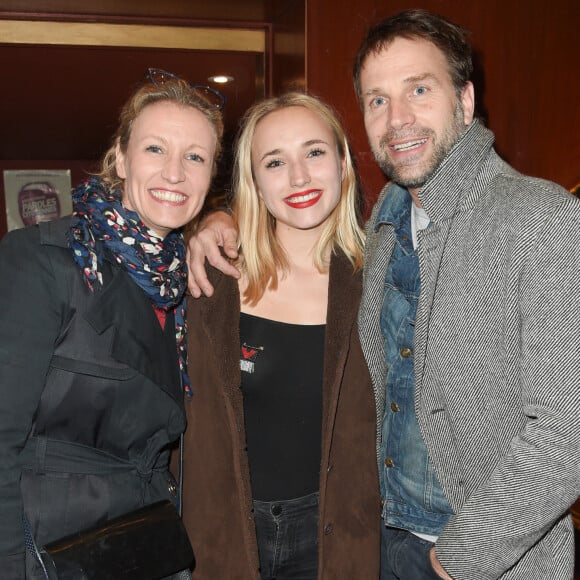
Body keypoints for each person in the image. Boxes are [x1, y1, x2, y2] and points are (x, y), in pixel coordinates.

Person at [186, 9, 580, 580]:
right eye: (376, 99)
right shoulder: (385, 233)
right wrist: (214, 219)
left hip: (478, 560)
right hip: (376, 544)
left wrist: (455, 558)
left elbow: (566, 432)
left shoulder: (540, 217)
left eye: (419, 89)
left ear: (465, 102)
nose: (397, 118)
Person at [0, 68, 224, 579]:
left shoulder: (184, 278)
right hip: (48, 552)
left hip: (141, 544)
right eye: (155, 150)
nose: (175, 173)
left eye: (195, 156)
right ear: (120, 158)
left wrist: (220, 219)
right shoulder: (45, 260)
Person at [180, 92, 380, 580]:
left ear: (342, 164)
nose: (298, 177)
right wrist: (213, 219)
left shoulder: (383, 280)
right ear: (254, 183)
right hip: (221, 532)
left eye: (314, 152)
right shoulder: (210, 279)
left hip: (334, 536)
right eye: (275, 161)